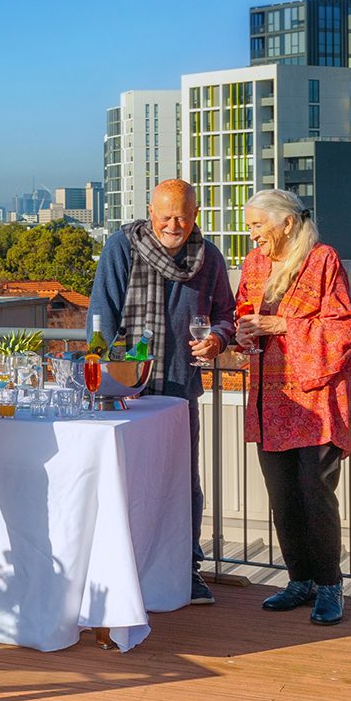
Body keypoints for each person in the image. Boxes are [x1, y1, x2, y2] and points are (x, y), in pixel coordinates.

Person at [88, 178, 237, 605]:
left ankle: (185, 568)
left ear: (196, 216)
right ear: (150, 213)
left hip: (178, 388)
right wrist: (115, 380)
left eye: (183, 217)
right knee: (123, 481)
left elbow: (226, 315)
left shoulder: (209, 257)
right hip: (124, 391)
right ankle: (122, 571)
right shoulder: (122, 248)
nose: (174, 225)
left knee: (181, 483)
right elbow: (101, 318)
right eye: (166, 216)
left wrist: (218, 339)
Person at [235, 189, 351, 626]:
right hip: (269, 398)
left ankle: (329, 586)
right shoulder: (253, 264)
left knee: (315, 493)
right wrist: (243, 333)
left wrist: (280, 323)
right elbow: (242, 314)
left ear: (286, 223)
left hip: (315, 399)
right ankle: (299, 580)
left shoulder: (323, 260)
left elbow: (342, 328)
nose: (252, 235)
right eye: (250, 226)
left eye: (257, 225)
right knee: (282, 496)